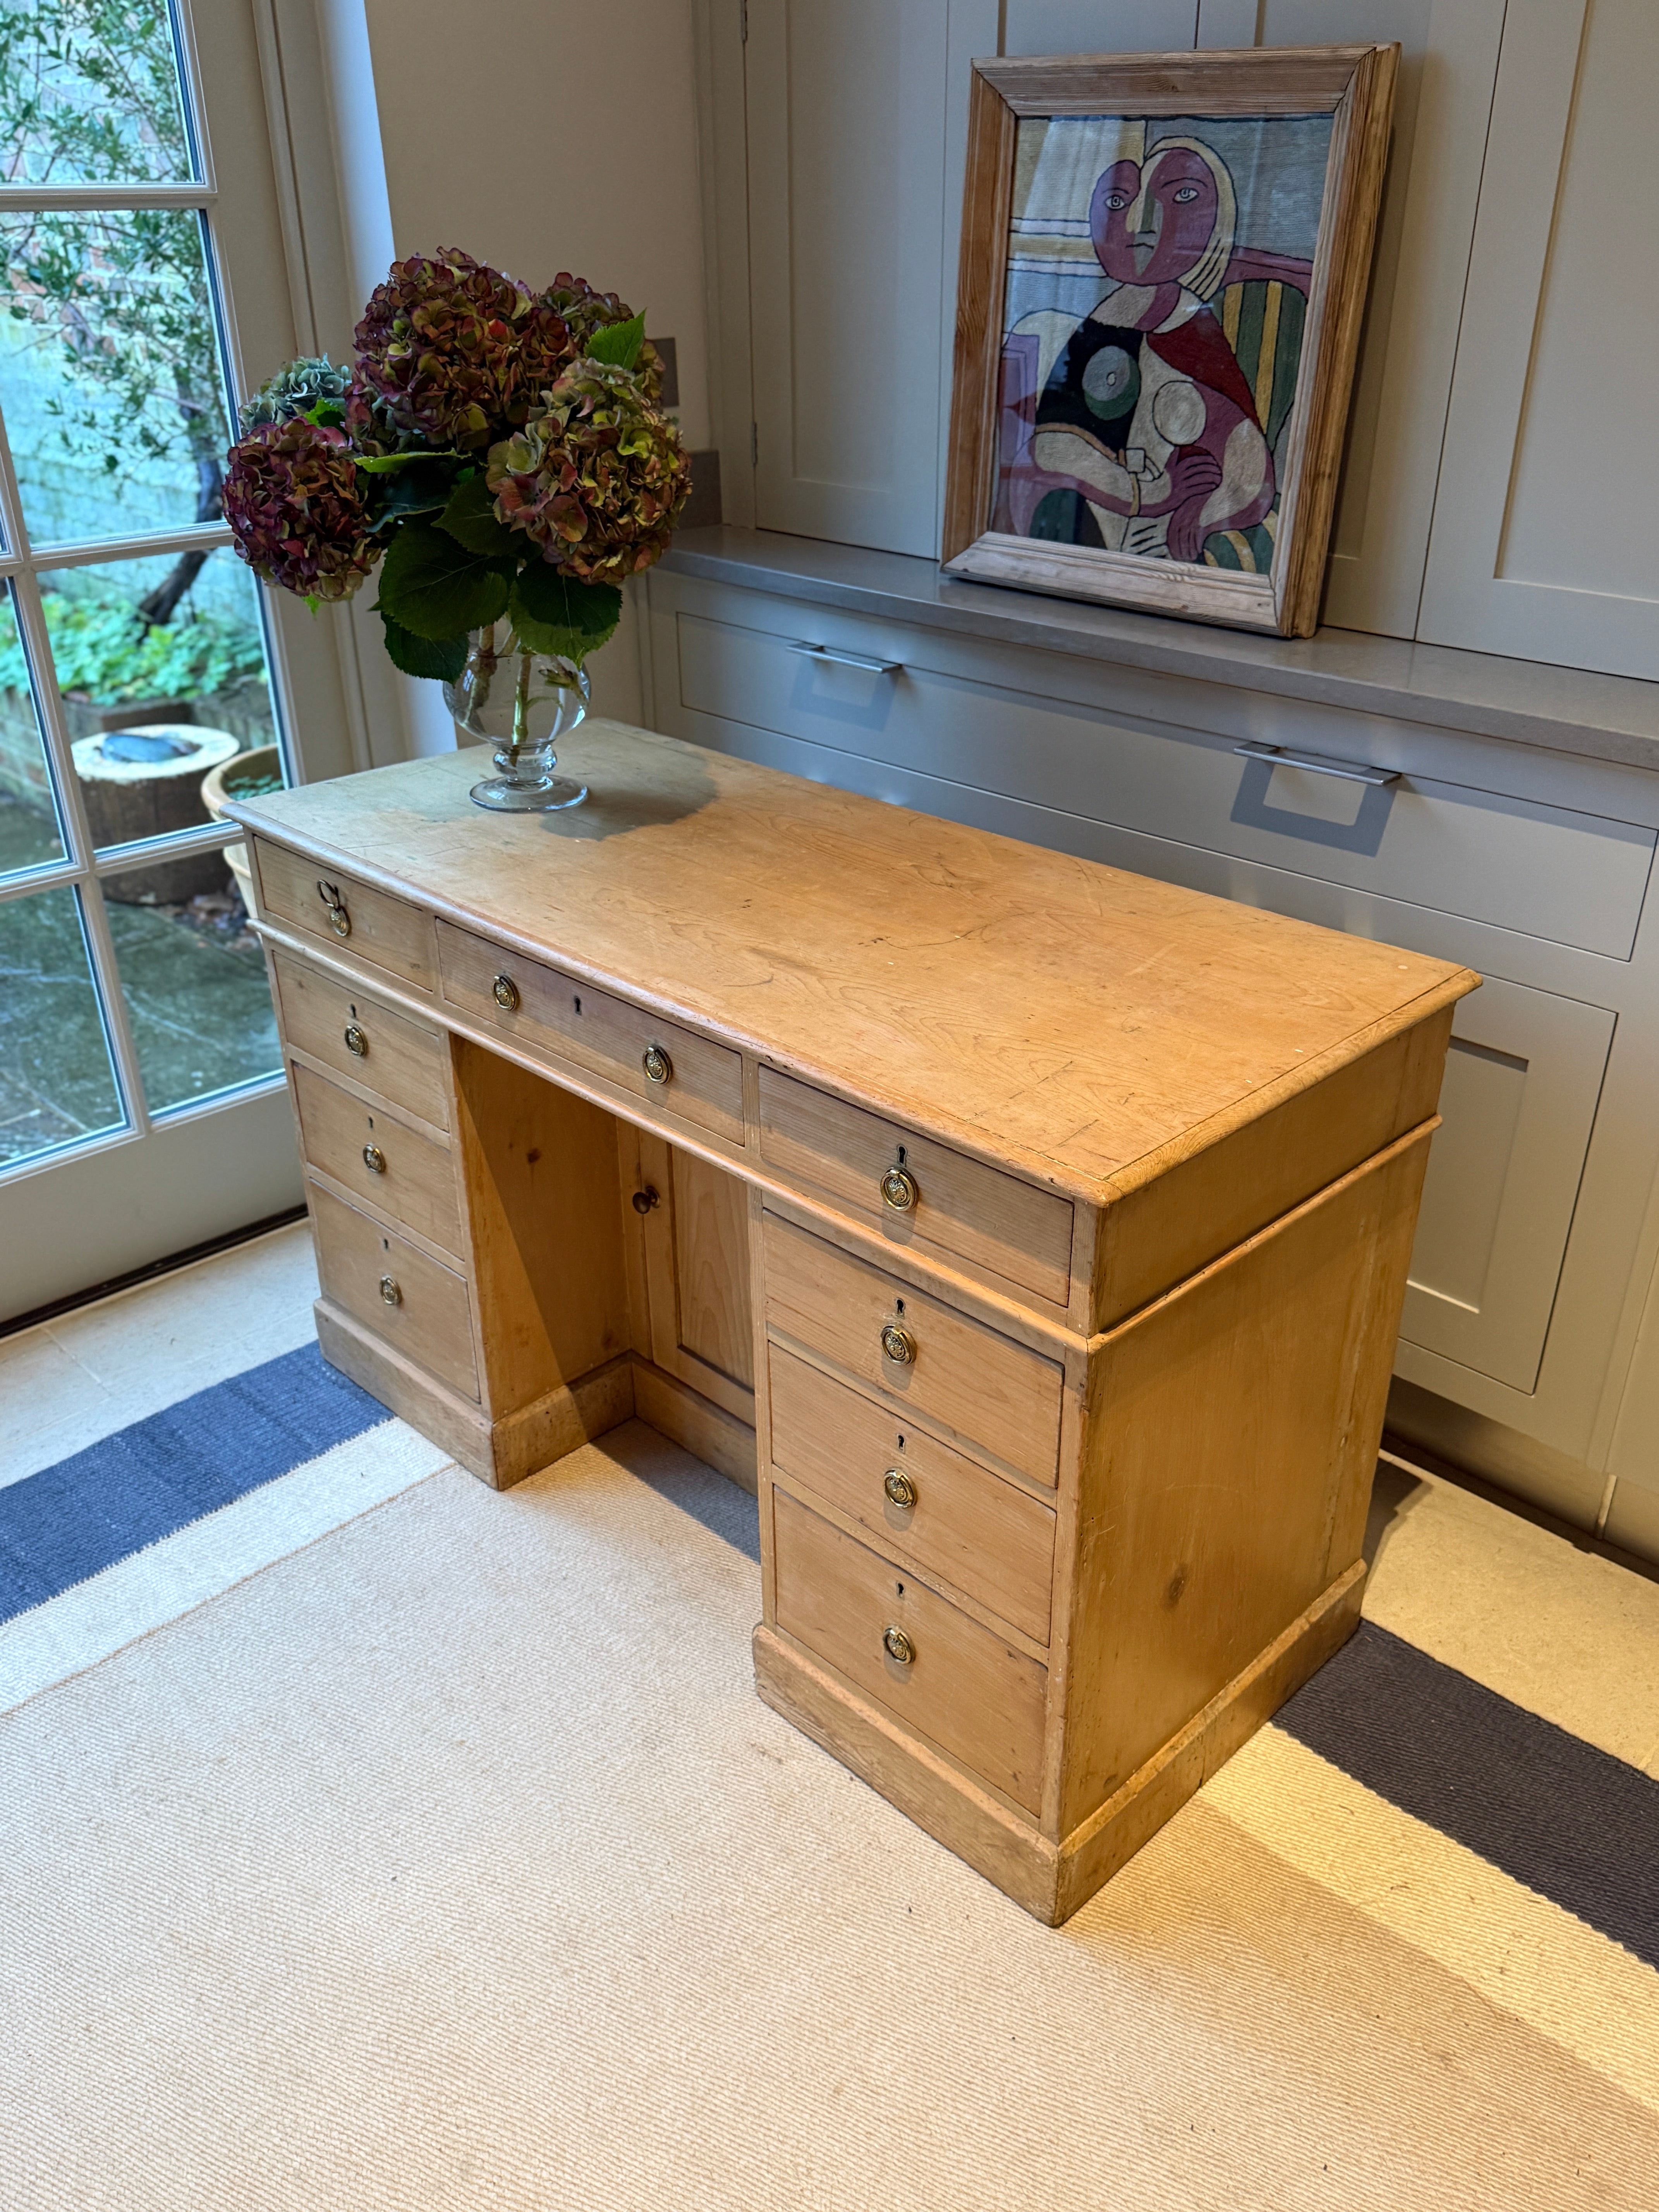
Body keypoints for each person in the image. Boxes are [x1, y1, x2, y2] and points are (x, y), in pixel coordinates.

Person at [995, 134, 1299, 565]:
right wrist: (1152, 494)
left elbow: (1249, 473)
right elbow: (1054, 448)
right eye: (1117, 203)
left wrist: (1201, 514)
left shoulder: (1194, 330)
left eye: (1183, 197)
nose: (1142, 223)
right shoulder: (1097, 325)